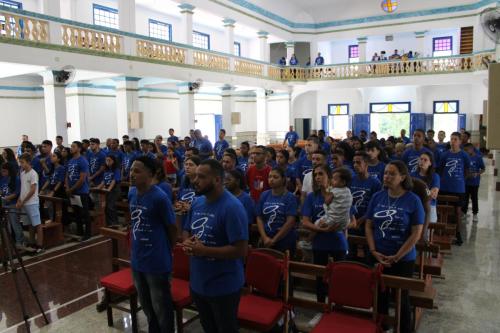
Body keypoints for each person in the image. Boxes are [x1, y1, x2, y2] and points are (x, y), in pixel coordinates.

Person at [182, 159, 248, 333]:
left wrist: (204, 250)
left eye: (201, 177)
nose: (195, 180)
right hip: (199, 281)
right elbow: (186, 230)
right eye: (195, 176)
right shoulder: (197, 203)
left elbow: (241, 250)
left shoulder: (232, 207)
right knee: (208, 328)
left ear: (217, 180)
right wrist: (187, 241)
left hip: (223, 286)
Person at [365, 161, 424, 333]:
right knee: (379, 295)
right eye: (385, 173)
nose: (387, 177)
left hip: (403, 258)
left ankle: (404, 329)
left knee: (401, 298)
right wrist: (373, 250)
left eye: (392, 174)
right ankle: (381, 326)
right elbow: (369, 225)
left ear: (403, 177)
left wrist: (397, 256)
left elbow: (416, 233)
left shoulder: (413, 200)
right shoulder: (378, 196)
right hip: (378, 254)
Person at [129, 156, 177, 333]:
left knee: (161, 307)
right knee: (147, 305)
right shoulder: (132, 192)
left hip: (156, 260)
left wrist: (167, 250)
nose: (132, 174)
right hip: (137, 258)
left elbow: (172, 228)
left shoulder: (159, 197)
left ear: (150, 173)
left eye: (137, 171)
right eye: (131, 170)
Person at [301, 165, 349, 303]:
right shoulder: (312, 197)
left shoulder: (341, 194)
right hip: (319, 241)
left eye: (321, 174)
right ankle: (321, 307)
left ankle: (338, 307)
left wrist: (336, 224)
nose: (317, 177)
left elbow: (352, 222)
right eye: (315, 175)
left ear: (329, 176)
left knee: (339, 278)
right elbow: (305, 221)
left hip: (338, 241)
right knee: (320, 278)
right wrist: (320, 229)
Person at [438, 132, 470, 245]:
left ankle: (458, 234)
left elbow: (467, 170)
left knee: (457, 212)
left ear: (460, 142)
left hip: (458, 188)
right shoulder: (445, 155)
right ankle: (441, 232)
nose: (453, 141)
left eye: (455, 139)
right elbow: (440, 170)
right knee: (442, 210)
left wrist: (460, 180)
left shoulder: (464, 155)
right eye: (451, 139)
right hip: (444, 186)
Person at [256, 168, 298, 255]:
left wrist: (274, 240)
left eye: (275, 177)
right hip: (266, 237)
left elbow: (290, 221)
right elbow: (259, 217)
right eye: (270, 177)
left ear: (283, 180)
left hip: (284, 239)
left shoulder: (290, 197)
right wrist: (264, 237)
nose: (271, 179)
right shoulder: (264, 195)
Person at [17, 153, 43, 251]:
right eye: (20, 162)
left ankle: (40, 245)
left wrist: (23, 201)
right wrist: (20, 199)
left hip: (32, 203)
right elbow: (23, 189)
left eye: (22, 162)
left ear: (28, 162)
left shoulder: (33, 173)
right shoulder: (23, 173)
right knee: (29, 224)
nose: (21, 164)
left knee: (37, 224)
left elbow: (32, 190)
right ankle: (32, 242)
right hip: (24, 203)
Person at [66, 141, 91, 241]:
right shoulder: (71, 160)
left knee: (84, 213)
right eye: (71, 146)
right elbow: (67, 175)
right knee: (76, 213)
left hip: (81, 191)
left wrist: (71, 189)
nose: (71, 148)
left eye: (73, 146)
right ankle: (79, 232)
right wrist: (68, 187)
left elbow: (82, 179)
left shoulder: (83, 161)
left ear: (79, 149)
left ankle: (88, 233)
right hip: (72, 192)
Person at [411, 152, 440, 226]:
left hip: (429, 206)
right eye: (421, 159)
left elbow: (433, 194)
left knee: (427, 234)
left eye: (425, 160)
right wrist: (426, 192)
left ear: (430, 163)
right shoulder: (412, 175)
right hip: (413, 205)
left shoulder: (435, 176)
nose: (422, 161)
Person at [175, 156, 201, 239]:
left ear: (198, 167)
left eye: (191, 165)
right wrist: (178, 205)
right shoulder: (184, 182)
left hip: (195, 222)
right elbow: (178, 201)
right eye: (186, 164)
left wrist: (191, 208)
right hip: (182, 221)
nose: (187, 167)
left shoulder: (202, 184)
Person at [0, 163, 23, 249]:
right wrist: (2, 196)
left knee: (15, 224)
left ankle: (20, 242)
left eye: (5, 171)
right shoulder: (3, 179)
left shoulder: (16, 179)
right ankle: (8, 242)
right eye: (2, 171)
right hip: (4, 205)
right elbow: (1, 190)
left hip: (13, 204)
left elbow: (16, 193)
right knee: (7, 225)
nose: (3, 173)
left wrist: (6, 198)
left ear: (9, 171)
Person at [463, 143, 485, 221]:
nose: (465, 152)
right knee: (465, 198)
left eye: (466, 150)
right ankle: (464, 213)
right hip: (466, 182)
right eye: (464, 150)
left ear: (471, 149)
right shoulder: (465, 158)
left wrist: (477, 174)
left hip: (475, 182)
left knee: (474, 198)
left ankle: (475, 213)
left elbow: (483, 169)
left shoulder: (478, 158)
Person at [97, 155, 121, 226]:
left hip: (114, 189)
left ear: (113, 161)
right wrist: (98, 188)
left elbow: (114, 181)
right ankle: (109, 224)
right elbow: (104, 181)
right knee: (106, 207)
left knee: (111, 207)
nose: (107, 162)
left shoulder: (116, 170)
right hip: (107, 190)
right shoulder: (106, 170)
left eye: (109, 160)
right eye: (106, 160)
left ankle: (115, 223)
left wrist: (108, 189)